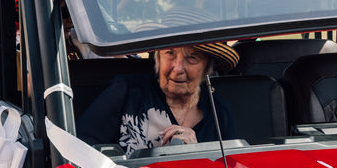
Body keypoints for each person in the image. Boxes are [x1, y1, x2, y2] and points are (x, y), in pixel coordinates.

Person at [77, 41, 239, 153]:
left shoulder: (217, 111)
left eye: (192, 57)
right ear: (158, 58)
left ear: (207, 68)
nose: (177, 68)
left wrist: (195, 153)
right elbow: (80, 146)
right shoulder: (127, 91)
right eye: (170, 53)